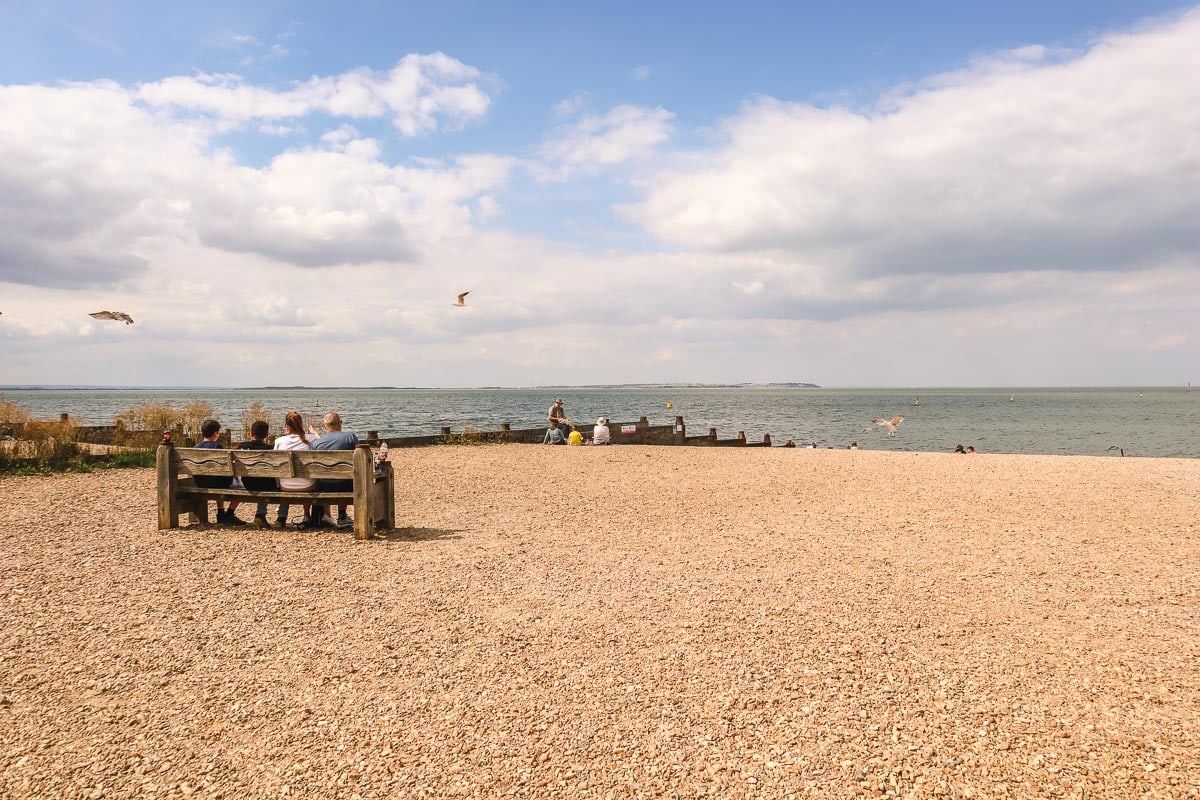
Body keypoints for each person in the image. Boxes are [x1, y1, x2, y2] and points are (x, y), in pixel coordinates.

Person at [308, 411, 358, 529]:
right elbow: (362, 457)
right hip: (346, 485)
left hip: (323, 485)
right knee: (348, 476)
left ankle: (326, 514)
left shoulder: (316, 444)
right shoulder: (350, 437)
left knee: (328, 476)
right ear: (339, 423)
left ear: (324, 426)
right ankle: (342, 516)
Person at [273, 411, 317, 529]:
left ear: (287, 427)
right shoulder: (311, 439)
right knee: (312, 477)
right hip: (307, 485)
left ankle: (281, 517)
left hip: (285, 486)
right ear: (301, 425)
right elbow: (324, 446)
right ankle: (307, 515)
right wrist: (315, 434)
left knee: (285, 476)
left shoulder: (279, 441)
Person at [194, 419, 243, 525]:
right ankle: (229, 514)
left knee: (216, 477)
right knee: (241, 485)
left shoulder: (196, 447)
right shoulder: (217, 447)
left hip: (200, 482)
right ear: (216, 433)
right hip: (219, 483)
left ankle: (221, 513)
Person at [237, 420, 277, 528]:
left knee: (260, 481)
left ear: (250, 433)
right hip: (267, 485)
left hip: (247, 483)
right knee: (265, 482)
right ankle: (262, 514)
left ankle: (261, 515)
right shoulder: (270, 449)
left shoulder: (242, 446)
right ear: (266, 435)